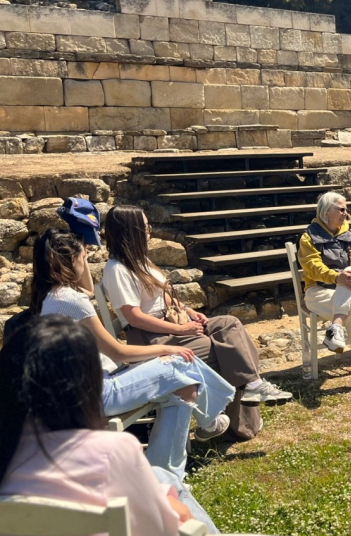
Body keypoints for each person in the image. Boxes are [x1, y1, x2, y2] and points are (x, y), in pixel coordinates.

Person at [30, 229, 234, 479]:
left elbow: (88, 289)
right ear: (71, 260)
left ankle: (164, 476)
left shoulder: (49, 297)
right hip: (98, 394)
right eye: (83, 257)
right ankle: (209, 420)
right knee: (181, 362)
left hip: (81, 392)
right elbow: (118, 352)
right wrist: (167, 348)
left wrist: (79, 248)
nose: (86, 261)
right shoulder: (71, 300)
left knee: (183, 389)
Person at [0, 315, 221, 536]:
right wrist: (172, 507)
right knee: (172, 496)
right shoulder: (112, 451)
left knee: (162, 477)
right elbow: (157, 529)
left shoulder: (9, 450)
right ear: (87, 383)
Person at [101, 206, 290, 441]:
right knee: (224, 350)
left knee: (229, 325)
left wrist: (189, 312)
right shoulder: (117, 270)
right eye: (146, 227)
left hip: (167, 325)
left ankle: (251, 387)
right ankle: (234, 418)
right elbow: (134, 317)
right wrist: (180, 329)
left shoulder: (140, 262)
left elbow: (163, 298)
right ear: (131, 231)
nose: (150, 232)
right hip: (151, 338)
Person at [297, 192, 351, 391]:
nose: (346, 213)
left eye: (346, 209)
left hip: (345, 291)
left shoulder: (347, 234)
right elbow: (312, 267)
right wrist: (336, 277)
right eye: (341, 209)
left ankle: (335, 326)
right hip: (318, 292)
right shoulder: (309, 237)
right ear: (327, 212)